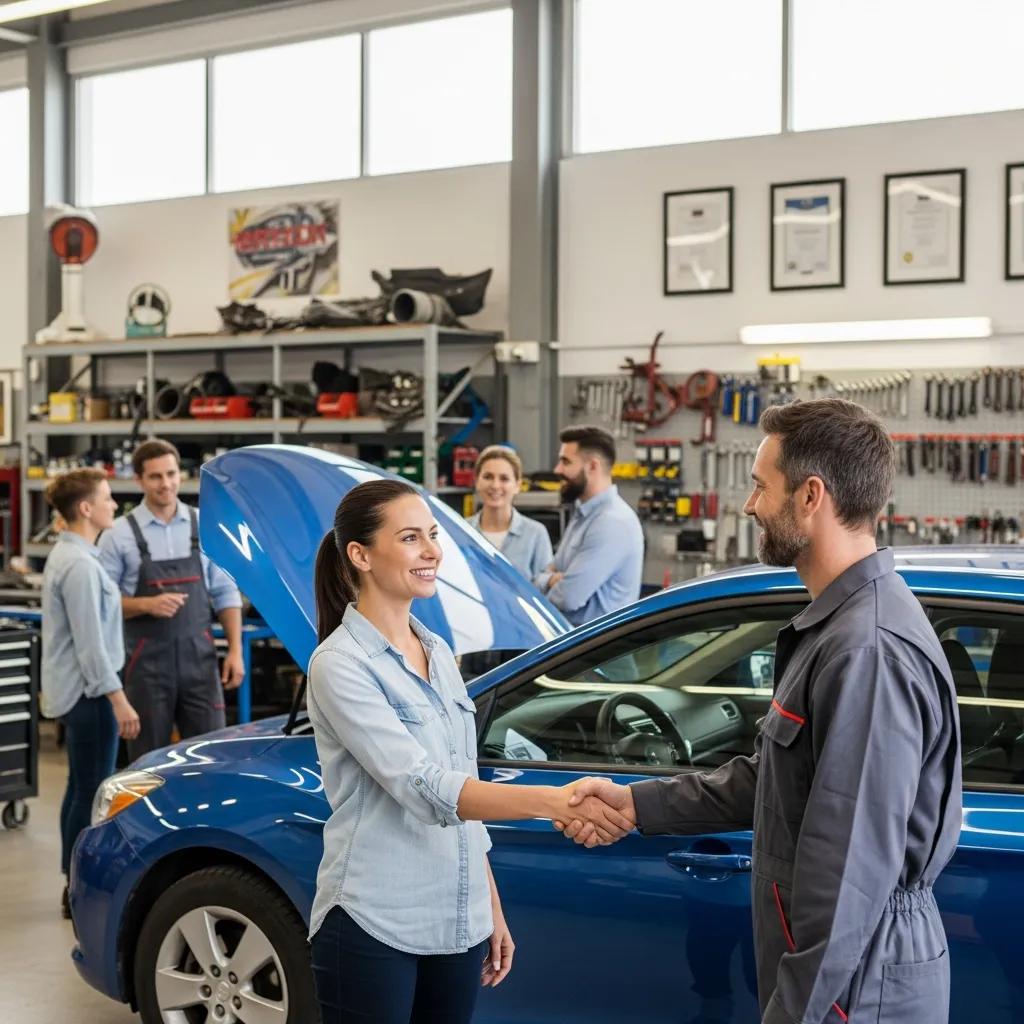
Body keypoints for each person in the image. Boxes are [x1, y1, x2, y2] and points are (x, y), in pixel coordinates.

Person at [558, 399, 963, 1024]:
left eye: (758, 486)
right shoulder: (840, 629)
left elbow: (847, 877)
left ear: (809, 496)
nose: (749, 506)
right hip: (844, 976)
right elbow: (774, 778)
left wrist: (794, 1013)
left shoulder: (867, 650)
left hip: (854, 988)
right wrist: (638, 804)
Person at [307, 478, 631, 1024]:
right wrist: (553, 802)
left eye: (432, 535)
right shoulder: (340, 665)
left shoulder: (436, 651)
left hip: (455, 921)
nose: (432, 550)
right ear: (360, 555)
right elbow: (424, 787)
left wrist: (487, 907)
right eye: (411, 538)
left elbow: (462, 781)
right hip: (373, 919)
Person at [98, 440, 244, 760]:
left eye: (171, 474)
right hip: (145, 666)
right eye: (155, 477)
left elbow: (225, 592)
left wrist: (235, 650)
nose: (165, 484)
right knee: (148, 761)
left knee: (211, 755)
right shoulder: (117, 535)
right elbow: (101, 604)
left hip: (200, 665)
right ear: (138, 480)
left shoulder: (203, 525)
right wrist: (145, 605)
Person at [40, 470, 141, 918]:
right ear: (85, 508)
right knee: (91, 792)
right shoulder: (79, 565)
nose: (114, 505)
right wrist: (117, 699)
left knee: (78, 788)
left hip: (79, 693)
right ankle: (78, 887)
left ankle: (70, 881)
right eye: (105, 498)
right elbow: (91, 645)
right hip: (90, 696)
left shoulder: (73, 554)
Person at [535, 425, 643, 625]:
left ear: (593, 466)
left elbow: (568, 597)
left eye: (565, 461)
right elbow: (547, 571)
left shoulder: (612, 522)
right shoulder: (583, 513)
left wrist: (549, 583)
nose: (557, 470)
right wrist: (550, 579)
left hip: (603, 653)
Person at [467, 445, 553, 582]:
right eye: (488, 477)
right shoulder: (461, 529)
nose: (495, 485)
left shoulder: (535, 534)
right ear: (477, 481)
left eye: (504, 479)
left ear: (517, 485)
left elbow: (544, 587)